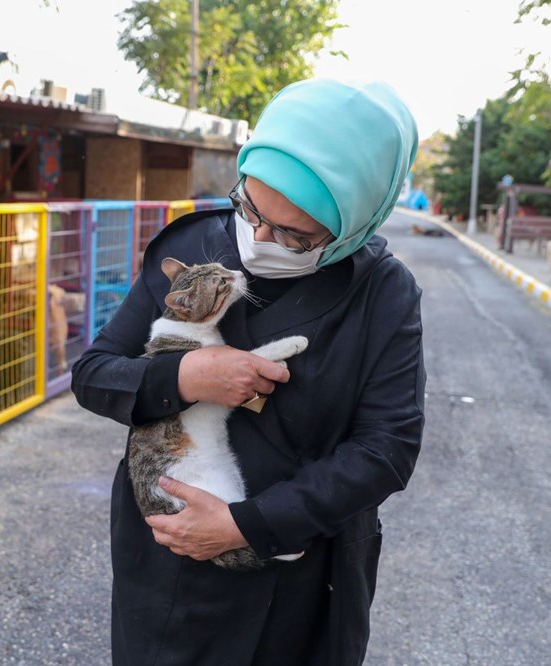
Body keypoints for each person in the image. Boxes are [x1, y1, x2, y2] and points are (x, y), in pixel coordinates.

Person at [71, 78, 424, 665]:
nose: (259, 240)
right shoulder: (196, 246)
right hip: (174, 565)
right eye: (250, 207)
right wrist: (182, 378)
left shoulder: (384, 294)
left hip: (307, 572)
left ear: (357, 219)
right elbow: (94, 373)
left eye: (294, 234)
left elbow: (388, 447)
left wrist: (250, 525)